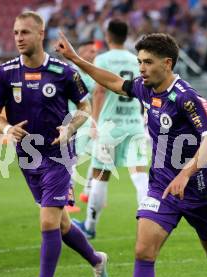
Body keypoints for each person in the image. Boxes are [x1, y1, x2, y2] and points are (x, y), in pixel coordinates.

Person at [55, 32, 207, 277]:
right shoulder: (146, 89)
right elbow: (113, 82)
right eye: (140, 62)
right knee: (143, 251)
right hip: (162, 188)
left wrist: (185, 174)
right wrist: (76, 58)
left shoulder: (186, 98)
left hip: (200, 189)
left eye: (148, 62)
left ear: (167, 64)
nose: (141, 68)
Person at [0, 11, 109, 277]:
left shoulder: (63, 71)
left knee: (47, 220)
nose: (19, 38)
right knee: (62, 223)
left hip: (59, 154)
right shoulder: (5, 73)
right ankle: (96, 260)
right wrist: (6, 129)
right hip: (27, 157)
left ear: (41, 34)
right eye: (16, 32)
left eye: (25, 32)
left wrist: (70, 127)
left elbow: (85, 108)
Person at [72, 19, 149, 240]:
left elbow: (99, 92)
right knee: (140, 174)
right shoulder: (137, 60)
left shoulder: (102, 59)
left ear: (107, 36)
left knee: (100, 175)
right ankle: (148, 224)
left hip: (109, 126)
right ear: (126, 37)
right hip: (133, 123)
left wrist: (94, 122)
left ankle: (90, 226)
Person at [67, 40, 99, 208]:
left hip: (90, 120)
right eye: (91, 51)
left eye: (95, 51)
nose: (95, 54)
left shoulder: (91, 72)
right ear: (82, 53)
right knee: (73, 159)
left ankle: (88, 192)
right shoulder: (73, 73)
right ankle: (67, 198)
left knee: (100, 155)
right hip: (76, 120)